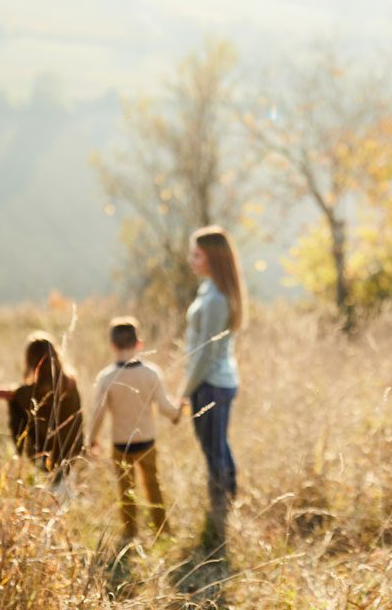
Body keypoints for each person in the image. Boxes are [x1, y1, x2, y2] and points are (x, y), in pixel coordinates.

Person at [85, 317, 184, 542]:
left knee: (125, 490)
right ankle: (162, 530)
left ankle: (130, 532)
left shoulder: (106, 377)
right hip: (147, 441)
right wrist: (178, 413)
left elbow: (98, 414)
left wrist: (92, 440)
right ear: (139, 343)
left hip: (121, 444)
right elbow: (165, 405)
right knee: (153, 485)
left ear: (112, 345)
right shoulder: (151, 373)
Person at [181, 225, 245, 545]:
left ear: (212, 258)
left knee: (213, 450)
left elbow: (204, 354)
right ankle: (227, 501)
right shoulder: (210, 290)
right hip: (216, 381)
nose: (191, 260)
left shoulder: (218, 297)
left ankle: (220, 511)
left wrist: (185, 390)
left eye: (197, 255)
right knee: (218, 445)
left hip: (211, 384)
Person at [0, 331, 85, 491]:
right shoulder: (69, 384)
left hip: (44, 454)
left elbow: (16, 395)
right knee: (64, 488)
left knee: (55, 489)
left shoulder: (29, 392)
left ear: (31, 361)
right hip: (71, 449)